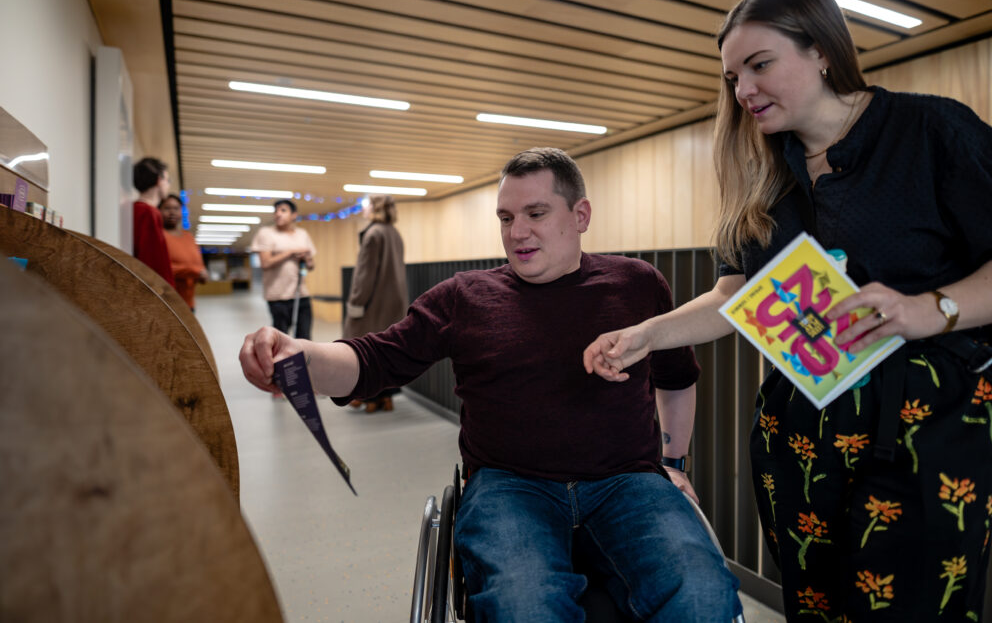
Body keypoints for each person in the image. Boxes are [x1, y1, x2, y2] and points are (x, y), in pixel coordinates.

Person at [583, 0, 992, 622]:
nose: (744, 91)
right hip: (801, 430)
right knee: (816, 608)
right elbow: (736, 295)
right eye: (733, 76)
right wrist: (650, 333)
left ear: (821, 50)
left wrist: (929, 308)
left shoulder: (931, 131)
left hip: (925, 423)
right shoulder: (760, 172)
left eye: (760, 65)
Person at [240, 148, 742, 622]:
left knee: (703, 593)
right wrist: (299, 355)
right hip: (510, 485)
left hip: (626, 481)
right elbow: (374, 359)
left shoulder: (637, 283)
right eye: (506, 218)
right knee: (524, 605)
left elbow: (676, 380)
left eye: (536, 213)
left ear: (581, 215)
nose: (517, 231)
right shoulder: (466, 297)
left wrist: (673, 465)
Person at [343, 194, 408, 413]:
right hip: (394, 302)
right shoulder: (395, 233)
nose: (364, 209)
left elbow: (364, 275)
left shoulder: (372, 234)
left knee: (365, 351)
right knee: (386, 351)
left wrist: (355, 302)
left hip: (373, 303)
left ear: (376, 208)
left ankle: (367, 397)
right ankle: (387, 398)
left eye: (366, 205)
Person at [251, 199, 317, 340]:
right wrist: (290, 252)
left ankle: (304, 362)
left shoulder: (302, 234)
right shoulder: (266, 233)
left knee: (304, 338)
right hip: (278, 296)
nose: (278, 214)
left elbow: (311, 266)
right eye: (275, 211)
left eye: (283, 210)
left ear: (294, 215)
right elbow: (265, 263)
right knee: (281, 339)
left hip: (301, 294)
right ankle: (283, 363)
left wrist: (306, 258)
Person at [159, 194, 208, 311]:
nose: (172, 212)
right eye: (167, 208)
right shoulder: (159, 236)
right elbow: (161, 268)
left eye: (176, 208)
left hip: (189, 304)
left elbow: (199, 264)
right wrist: (194, 271)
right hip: (167, 304)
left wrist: (203, 273)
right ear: (158, 210)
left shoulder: (189, 237)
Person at [132, 157, 174, 286]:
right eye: (167, 180)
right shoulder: (150, 213)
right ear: (159, 181)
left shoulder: (130, 209)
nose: (168, 185)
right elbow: (154, 262)